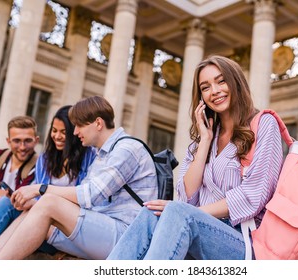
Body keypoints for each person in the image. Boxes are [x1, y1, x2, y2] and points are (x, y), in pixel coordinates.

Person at [107, 55, 284, 260]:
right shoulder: (205, 136)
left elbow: (253, 196)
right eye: (205, 87)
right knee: (151, 212)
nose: (215, 91)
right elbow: (187, 195)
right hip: (200, 227)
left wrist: (193, 213)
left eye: (221, 81)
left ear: (235, 82)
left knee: (176, 211)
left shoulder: (264, 124)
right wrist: (205, 141)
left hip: (244, 239)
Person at [0, 96, 158, 260]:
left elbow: (90, 196)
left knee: (48, 202)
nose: (75, 132)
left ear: (97, 123)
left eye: (79, 125)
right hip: (105, 229)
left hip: (127, 237)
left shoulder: (126, 149)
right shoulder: (103, 154)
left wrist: (39, 189)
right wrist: (34, 202)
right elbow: (86, 202)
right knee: (31, 211)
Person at [0, 105, 96, 258]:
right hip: (38, 218)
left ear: (75, 132)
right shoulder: (46, 159)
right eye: (54, 130)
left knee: (2, 203)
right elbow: (37, 199)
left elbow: (87, 198)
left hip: (61, 228)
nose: (57, 136)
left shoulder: (88, 158)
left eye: (64, 132)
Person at [0, 116, 39, 207]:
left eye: (28, 141)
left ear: (36, 141)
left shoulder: (39, 167)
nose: (22, 147)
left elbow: (16, 197)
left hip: (15, 216)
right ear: (8, 141)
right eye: (17, 141)